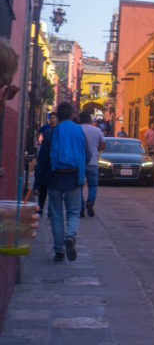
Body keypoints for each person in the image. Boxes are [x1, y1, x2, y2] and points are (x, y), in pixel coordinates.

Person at [45, 102, 87, 262]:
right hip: (73, 177)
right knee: (74, 212)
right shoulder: (79, 131)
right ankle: (70, 235)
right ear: (71, 115)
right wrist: (81, 175)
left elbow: (46, 157)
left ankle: (59, 251)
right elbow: (85, 154)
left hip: (56, 176)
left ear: (58, 116)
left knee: (56, 214)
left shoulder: (53, 131)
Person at [78, 110, 105, 217]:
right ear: (90, 119)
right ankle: (90, 201)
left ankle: (80, 207)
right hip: (93, 162)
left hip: (79, 163)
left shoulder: (77, 129)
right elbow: (103, 146)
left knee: (79, 186)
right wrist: (94, 149)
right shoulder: (97, 130)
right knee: (93, 185)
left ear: (80, 119)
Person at [32, 112, 57, 212]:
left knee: (49, 189)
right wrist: (38, 141)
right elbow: (38, 133)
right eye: (51, 118)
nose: (52, 119)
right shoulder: (46, 128)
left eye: (54, 118)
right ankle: (41, 207)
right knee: (44, 188)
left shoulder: (57, 130)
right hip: (47, 163)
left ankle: (48, 209)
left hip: (50, 164)